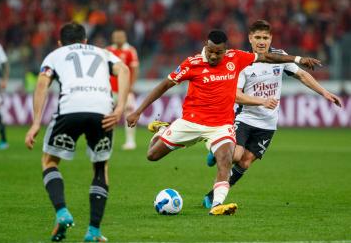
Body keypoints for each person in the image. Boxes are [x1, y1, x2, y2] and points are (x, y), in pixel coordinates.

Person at [126, 29, 321, 216]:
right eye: (211, 51)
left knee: (225, 161)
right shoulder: (191, 63)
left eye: (218, 53)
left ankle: (217, 205)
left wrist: (297, 59)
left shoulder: (235, 57)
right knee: (152, 155)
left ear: (225, 50)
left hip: (221, 126)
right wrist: (138, 111)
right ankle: (164, 130)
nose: (213, 56)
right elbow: (164, 85)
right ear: (206, 46)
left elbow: (268, 57)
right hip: (190, 122)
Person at [202, 20, 342, 208]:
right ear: (250, 38)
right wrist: (262, 101)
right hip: (245, 118)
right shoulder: (243, 62)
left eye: (265, 38)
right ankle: (215, 148)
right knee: (235, 156)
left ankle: (213, 194)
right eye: (258, 37)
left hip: (267, 124)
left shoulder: (280, 57)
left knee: (244, 163)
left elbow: (301, 75)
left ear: (271, 39)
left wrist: (324, 92)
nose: (261, 41)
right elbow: (236, 96)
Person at [24, 23, 130, 242]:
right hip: (102, 111)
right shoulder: (103, 52)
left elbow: (42, 84)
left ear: (60, 43)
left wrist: (35, 123)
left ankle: (62, 213)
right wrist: (119, 107)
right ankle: (93, 230)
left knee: (49, 161)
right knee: (101, 167)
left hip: (70, 109)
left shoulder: (55, 55)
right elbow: (125, 70)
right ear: (85, 41)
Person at [107, 30, 139, 150]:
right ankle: (109, 140)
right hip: (110, 89)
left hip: (125, 90)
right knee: (109, 115)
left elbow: (135, 69)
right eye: (115, 36)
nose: (117, 38)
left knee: (129, 114)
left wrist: (131, 85)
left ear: (125, 37)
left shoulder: (130, 50)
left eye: (120, 36)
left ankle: (130, 142)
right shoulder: (108, 50)